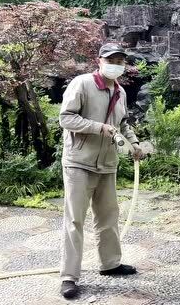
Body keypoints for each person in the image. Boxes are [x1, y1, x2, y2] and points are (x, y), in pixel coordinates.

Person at [58, 43, 145, 299]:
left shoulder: (120, 91)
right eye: (111, 59)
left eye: (120, 60)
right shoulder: (82, 84)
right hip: (79, 162)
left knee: (108, 216)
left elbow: (123, 124)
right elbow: (66, 118)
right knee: (75, 220)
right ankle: (69, 277)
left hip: (107, 163)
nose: (116, 64)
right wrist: (98, 128)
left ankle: (110, 264)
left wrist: (135, 144)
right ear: (99, 61)